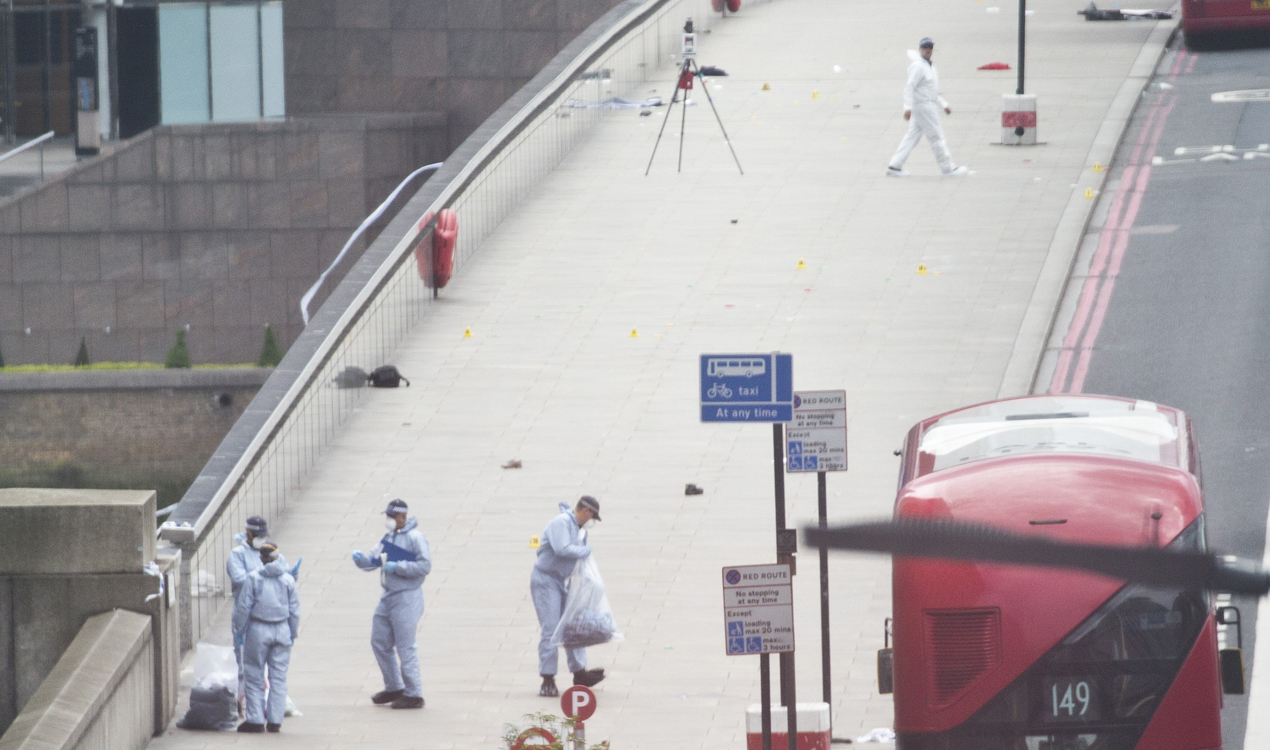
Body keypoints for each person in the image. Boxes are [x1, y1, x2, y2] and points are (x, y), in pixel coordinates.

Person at [351, 498, 431, 709]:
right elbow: (374, 560)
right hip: (388, 594)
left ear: (402, 517)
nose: (388, 520)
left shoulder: (415, 538)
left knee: (405, 646)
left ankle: (414, 693)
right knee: (379, 641)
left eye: (391, 516)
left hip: (407, 596)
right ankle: (394, 685)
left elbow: (424, 565)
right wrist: (363, 562)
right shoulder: (388, 537)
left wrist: (399, 566)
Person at [531, 495, 606, 697]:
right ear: (587, 512)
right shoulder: (561, 523)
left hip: (563, 580)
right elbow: (562, 549)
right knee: (551, 628)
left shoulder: (579, 529)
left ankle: (579, 672)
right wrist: (585, 551)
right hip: (546, 581)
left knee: (572, 625)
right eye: (593, 517)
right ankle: (547, 678)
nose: (592, 522)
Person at [232, 542, 300, 734]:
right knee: (278, 677)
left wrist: (239, 631)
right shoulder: (288, 580)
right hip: (282, 629)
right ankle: (275, 720)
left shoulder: (254, 578)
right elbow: (295, 611)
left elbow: (243, 608)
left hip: (258, 629)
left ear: (260, 559)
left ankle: (255, 719)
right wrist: (292, 633)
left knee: (254, 674)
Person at [886, 37, 969, 178]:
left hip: (926, 104)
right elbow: (909, 88)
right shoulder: (918, 66)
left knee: (912, 136)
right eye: (925, 48)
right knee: (936, 136)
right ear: (920, 50)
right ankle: (947, 168)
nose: (928, 50)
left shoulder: (929, 66)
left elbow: (931, 90)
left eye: (930, 48)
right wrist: (907, 107)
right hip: (923, 106)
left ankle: (895, 166)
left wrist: (944, 105)